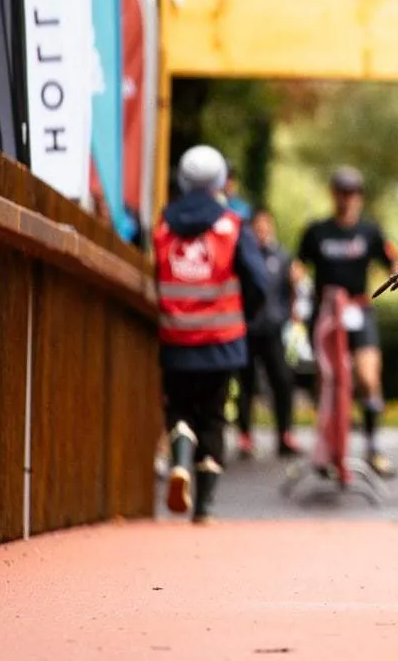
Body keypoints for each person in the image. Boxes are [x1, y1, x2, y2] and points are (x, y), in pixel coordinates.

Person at [155, 144, 269, 523]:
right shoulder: (232, 226)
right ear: (220, 181)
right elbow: (259, 281)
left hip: (175, 340)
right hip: (222, 342)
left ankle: (181, 461)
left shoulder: (163, 224)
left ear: (182, 180)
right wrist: (244, 315)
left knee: (180, 409)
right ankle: (203, 507)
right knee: (214, 417)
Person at [297, 166, 398, 479]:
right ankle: (328, 448)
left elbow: (391, 262)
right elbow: (299, 265)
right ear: (334, 195)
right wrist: (295, 280)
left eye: (353, 193)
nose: (348, 199)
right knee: (329, 382)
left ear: (360, 197)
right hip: (328, 315)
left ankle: (373, 447)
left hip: (359, 310)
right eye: (342, 192)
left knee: (369, 378)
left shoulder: (370, 231)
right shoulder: (317, 231)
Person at [236, 209, 300, 459]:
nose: (262, 232)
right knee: (246, 383)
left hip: (273, 328)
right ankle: (245, 435)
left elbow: (291, 289)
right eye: (257, 227)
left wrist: (290, 314)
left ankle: (284, 433)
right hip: (248, 327)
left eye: (266, 227)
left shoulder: (282, 256)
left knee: (282, 380)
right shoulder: (244, 256)